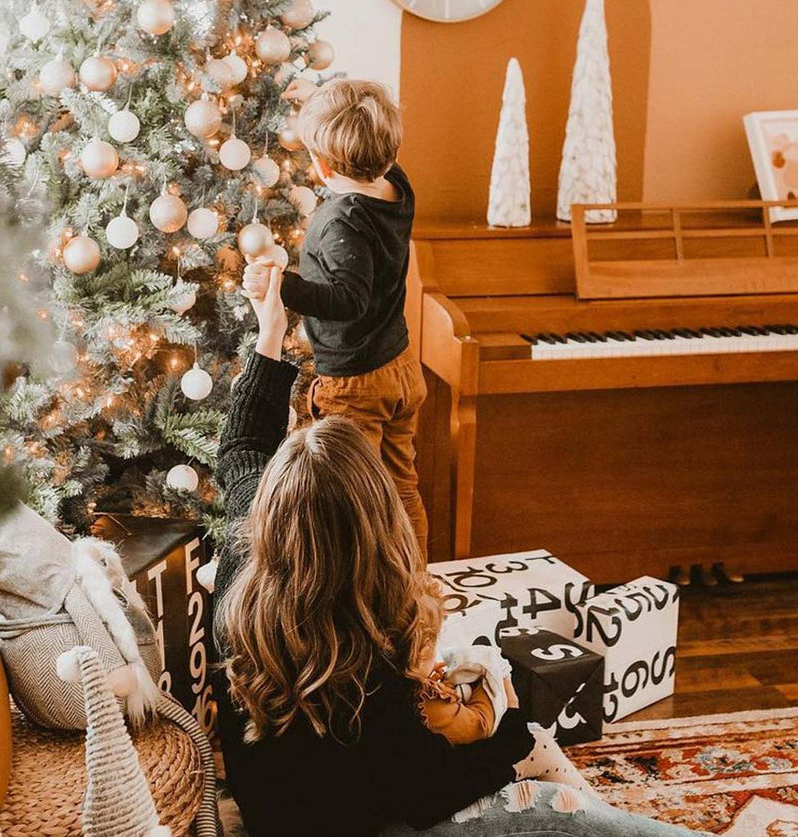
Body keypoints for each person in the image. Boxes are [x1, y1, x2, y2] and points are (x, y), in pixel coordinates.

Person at [212, 265, 702, 837]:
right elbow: (429, 793)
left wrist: (269, 331)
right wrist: (512, 726)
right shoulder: (364, 665)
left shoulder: (245, 543)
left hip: (272, 808)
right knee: (552, 807)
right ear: (377, 523)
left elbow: (242, 443)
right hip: (361, 824)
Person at [242, 79, 428, 557]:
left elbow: (349, 300)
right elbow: (369, 130)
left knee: (354, 500)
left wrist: (284, 283)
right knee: (400, 483)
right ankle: (416, 576)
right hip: (401, 365)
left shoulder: (341, 219)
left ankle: (373, 590)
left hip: (357, 383)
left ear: (322, 167)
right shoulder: (397, 187)